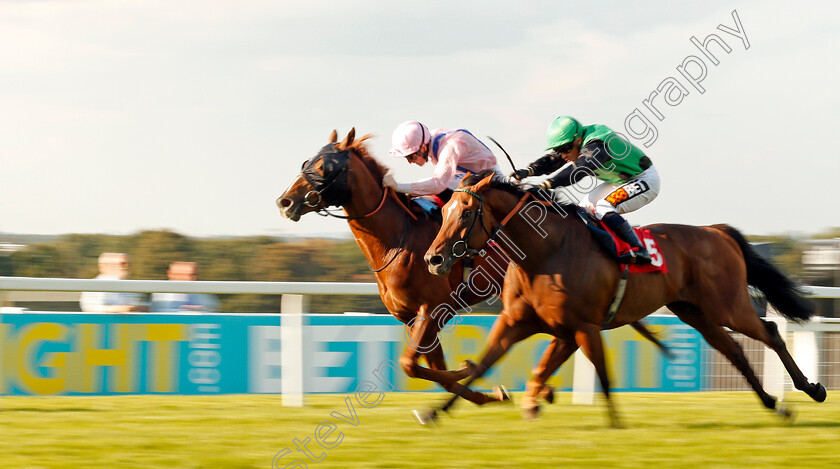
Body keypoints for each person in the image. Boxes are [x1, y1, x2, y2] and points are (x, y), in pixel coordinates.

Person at [512, 116, 660, 265]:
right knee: (583, 209)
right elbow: (553, 159)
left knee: (603, 207)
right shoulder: (576, 143)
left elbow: (579, 170)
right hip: (620, 182)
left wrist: (547, 185)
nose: (563, 155)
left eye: (565, 149)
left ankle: (640, 250)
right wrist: (528, 171)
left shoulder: (598, 145)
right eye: (559, 150)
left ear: (578, 140)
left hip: (644, 179)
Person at [383, 121, 503, 200]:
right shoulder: (430, 139)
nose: (410, 162)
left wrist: (397, 186)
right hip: (469, 175)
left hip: (490, 179)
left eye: (411, 156)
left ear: (423, 147)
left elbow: (438, 185)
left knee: (430, 186)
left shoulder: (449, 147)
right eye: (406, 158)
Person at [80, 253, 147, 312]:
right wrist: (122, 309)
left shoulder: (134, 286)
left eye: (128, 264)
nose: (126, 267)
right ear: (103, 266)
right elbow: (90, 309)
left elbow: (145, 307)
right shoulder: (92, 286)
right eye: (122, 264)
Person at [151, 261, 220, 312]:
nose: (193, 278)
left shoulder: (201, 291)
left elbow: (212, 308)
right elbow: (166, 312)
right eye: (188, 275)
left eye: (195, 274)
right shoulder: (162, 292)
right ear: (170, 274)